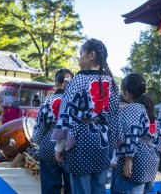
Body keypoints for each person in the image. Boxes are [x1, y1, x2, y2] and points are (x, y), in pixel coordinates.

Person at [51, 38, 120, 194]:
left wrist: (60, 146)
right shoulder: (111, 82)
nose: (79, 57)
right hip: (102, 142)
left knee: (81, 188)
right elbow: (115, 117)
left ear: (91, 55)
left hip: (81, 141)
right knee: (99, 187)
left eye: (81, 53)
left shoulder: (79, 80)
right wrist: (113, 145)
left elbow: (67, 115)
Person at [114, 73, 159, 194]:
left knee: (129, 189)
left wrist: (129, 159)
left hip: (136, 158)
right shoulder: (145, 107)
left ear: (126, 93)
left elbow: (132, 132)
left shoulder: (132, 108)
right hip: (149, 155)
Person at [32, 69, 73, 194]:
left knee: (50, 185)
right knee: (71, 186)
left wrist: (36, 140)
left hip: (50, 142)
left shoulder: (49, 100)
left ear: (56, 82)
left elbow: (40, 125)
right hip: (71, 144)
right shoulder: (75, 100)